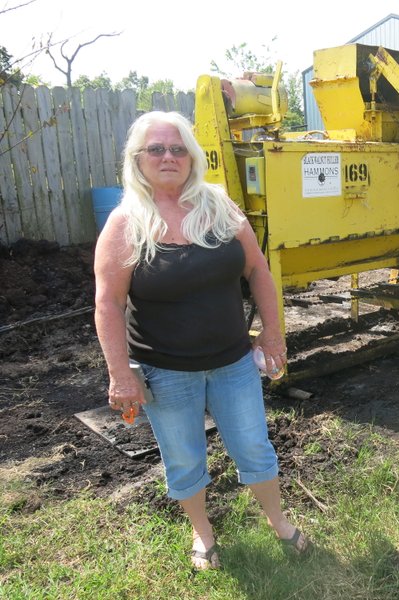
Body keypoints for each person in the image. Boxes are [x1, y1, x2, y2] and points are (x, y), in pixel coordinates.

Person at [94, 110, 308, 570]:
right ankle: (203, 533)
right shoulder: (126, 222)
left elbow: (258, 271)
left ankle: (279, 522)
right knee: (185, 458)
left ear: (192, 157)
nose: (168, 156)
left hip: (233, 363)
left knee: (253, 447)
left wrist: (273, 334)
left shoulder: (219, 207)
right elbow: (108, 303)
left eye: (177, 148)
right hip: (166, 372)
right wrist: (119, 376)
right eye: (156, 149)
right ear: (138, 159)